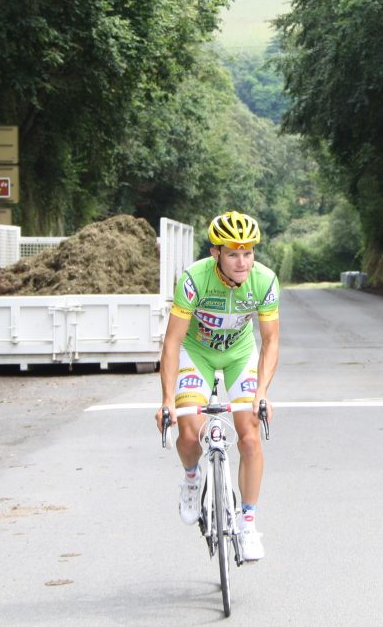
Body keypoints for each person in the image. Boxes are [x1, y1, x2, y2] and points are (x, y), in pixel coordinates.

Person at [157, 211, 280, 562]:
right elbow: (172, 342)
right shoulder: (194, 280)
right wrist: (167, 400)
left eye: (248, 253)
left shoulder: (265, 281)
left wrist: (261, 394)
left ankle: (248, 523)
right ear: (216, 254)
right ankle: (192, 478)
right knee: (187, 432)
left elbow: (270, 342)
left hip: (239, 354)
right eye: (232, 253)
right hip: (198, 353)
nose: (242, 262)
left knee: (250, 434)